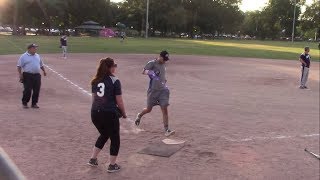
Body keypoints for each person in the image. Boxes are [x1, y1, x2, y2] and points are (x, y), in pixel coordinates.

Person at [87, 57, 127, 173]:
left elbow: (94, 98)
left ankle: (93, 159)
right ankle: (112, 165)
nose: (115, 68)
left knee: (104, 134)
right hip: (108, 114)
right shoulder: (115, 80)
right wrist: (123, 113)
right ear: (110, 68)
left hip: (95, 113)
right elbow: (119, 100)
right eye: (114, 66)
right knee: (115, 138)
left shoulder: (95, 80)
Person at [135, 50, 175, 137]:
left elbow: (162, 75)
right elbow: (143, 71)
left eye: (166, 59)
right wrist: (151, 73)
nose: (165, 61)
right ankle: (140, 115)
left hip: (163, 90)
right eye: (164, 59)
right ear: (160, 56)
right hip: (153, 91)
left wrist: (163, 81)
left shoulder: (163, 64)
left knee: (164, 109)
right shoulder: (152, 63)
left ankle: (166, 130)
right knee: (149, 109)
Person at [17, 44, 47, 109]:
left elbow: (41, 64)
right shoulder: (23, 56)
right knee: (27, 90)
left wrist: (44, 71)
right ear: (29, 49)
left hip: (37, 75)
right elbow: (19, 66)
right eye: (34, 48)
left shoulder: (37, 55)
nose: (36, 49)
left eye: (36, 48)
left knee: (36, 90)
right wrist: (20, 74)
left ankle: (34, 103)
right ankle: (25, 103)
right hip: (27, 75)